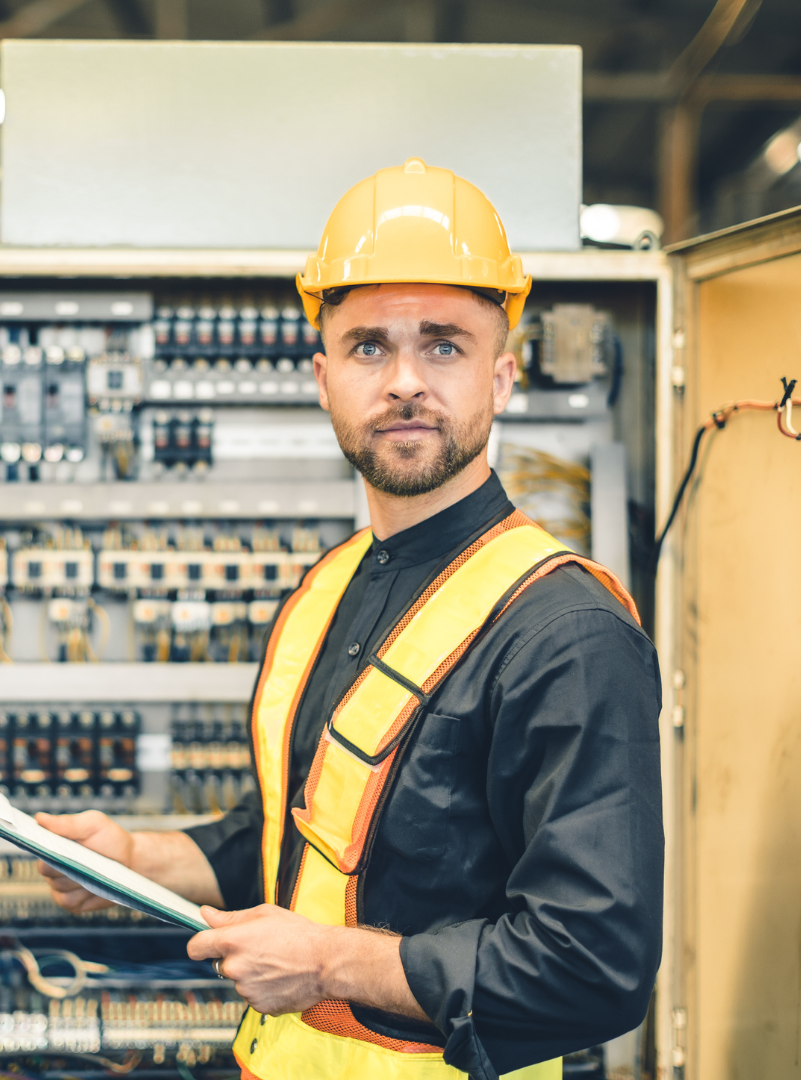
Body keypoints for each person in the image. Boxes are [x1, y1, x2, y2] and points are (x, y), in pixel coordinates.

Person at [37, 158, 663, 1080]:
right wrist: (141, 859)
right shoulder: (328, 588)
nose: (405, 381)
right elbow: (311, 847)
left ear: (502, 375)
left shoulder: (564, 633)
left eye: (443, 344)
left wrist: (330, 960)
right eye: (370, 347)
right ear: (323, 378)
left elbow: (593, 969)